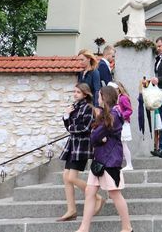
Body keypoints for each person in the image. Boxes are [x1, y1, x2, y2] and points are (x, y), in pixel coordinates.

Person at [75, 86, 132, 232]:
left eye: (99, 95)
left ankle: (127, 228)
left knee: (114, 193)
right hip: (100, 159)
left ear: (104, 97)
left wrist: (99, 138)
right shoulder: (107, 114)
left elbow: (94, 136)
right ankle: (84, 228)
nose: (97, 98)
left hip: (110, 160)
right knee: (90, 192)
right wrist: (100, 138)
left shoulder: (113, 114)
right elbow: (96, 135)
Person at [58, 83, 99, 222]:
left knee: (71, 177)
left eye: (78, 92)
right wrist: (66, 116)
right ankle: (71, 209)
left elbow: (86, 127)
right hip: (73, 145)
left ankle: (97, 197)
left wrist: (70, 125)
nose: (75, 94)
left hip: (82, 146)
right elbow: (69, 127)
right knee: (66, 176)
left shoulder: (88, 108)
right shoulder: (74, 107)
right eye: (74, 91)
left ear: (85, 94)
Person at [111, 81, 133, 171]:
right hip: (118, 123)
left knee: (123, 144)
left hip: (123, 123)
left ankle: (129, 164)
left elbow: (129, 110)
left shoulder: (123, 98)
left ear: (118, 89)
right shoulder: (116, 99)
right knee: (119, 144)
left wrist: (121, 116)